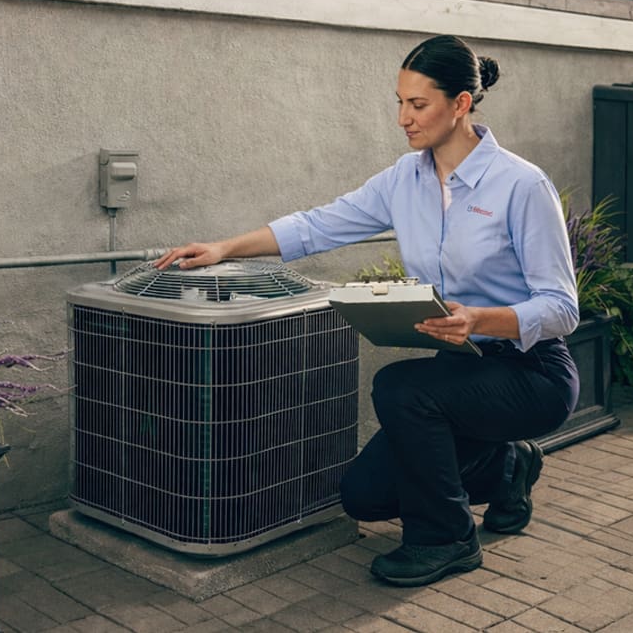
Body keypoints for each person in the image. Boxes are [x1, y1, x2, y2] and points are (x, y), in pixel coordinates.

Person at [151, 35, 580, 587]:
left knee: (402, 389)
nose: (403, 117)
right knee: (365, 496)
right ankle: (508, 468)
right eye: (399, 102)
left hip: (530, 371)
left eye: (418, 104)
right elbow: (317, 225)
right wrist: (223, 248)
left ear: (461, 104)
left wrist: (479, 318)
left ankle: (446, 539)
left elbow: (561, 308)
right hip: (462, 370)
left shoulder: (522, 185)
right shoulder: (406, 179)